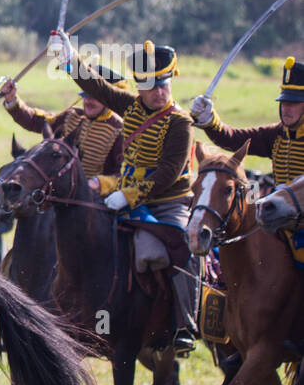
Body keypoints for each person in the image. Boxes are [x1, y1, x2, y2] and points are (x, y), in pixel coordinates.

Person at [53, 32, 197, 355]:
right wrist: (67, 59)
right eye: (151, 86)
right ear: (140, 87)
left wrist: (128, 196)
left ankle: (182, 323)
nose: (159, 92)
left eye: (164, 85)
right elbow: (96, 86)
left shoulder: (180, 123)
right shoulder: (130, 106)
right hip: (121, 195)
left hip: (165, 202)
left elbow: (167, 174)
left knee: (175, 246)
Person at [0, 61, 123, 188]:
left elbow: (123, 174)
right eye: (85, 95)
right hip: (58, 192)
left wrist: (99, 183)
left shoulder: (119, 130)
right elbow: (35, 121)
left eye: (95, 97)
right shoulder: (71, 115)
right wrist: (12, 100)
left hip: (97, 200)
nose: (88, 101)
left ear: (108, 98)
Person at [191, 56, 304, 191]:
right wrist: (209, 121)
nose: (286, 109)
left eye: (293, 103)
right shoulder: (277, 134)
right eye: (284, 102)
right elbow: (232, 139)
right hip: (278, 207)